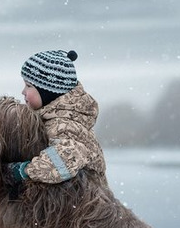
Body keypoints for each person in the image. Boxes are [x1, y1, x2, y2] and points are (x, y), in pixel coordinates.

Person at [8, 49, 106, 184]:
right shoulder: (57, 117)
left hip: (82, 198)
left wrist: (24, 170)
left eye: (28, 86)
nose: (23, 91)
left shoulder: (62, 125)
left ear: (48, 93)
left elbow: (66, 160)